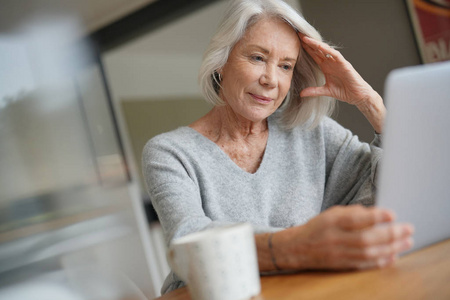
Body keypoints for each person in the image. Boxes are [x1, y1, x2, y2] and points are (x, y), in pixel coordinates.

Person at [142, 0, 414, 294]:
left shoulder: (313, 132)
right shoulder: (169, 153)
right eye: (258, 58)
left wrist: (370, 103)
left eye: (286, 66)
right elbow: (189, 243)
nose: (271, 79)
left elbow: (391, 195)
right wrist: (299, 245)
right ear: (222, 60)